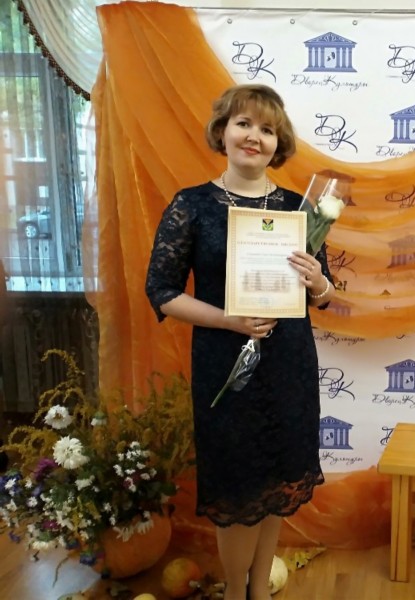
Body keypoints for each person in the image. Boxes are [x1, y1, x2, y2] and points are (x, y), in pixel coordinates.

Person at [145, 84, 333, 600]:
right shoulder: (192, 206)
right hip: (224, 367)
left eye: (267, 129)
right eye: (244, 123)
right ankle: (234, 592)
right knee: (237, 489)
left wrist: (318, 280)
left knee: (275, 486)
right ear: (223, 131)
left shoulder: (299, 209)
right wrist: (228, 320)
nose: (254, 136)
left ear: (278, 143)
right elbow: (161, 291)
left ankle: (258, 589)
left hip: (289, 364)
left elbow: (323, 296)